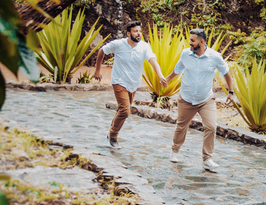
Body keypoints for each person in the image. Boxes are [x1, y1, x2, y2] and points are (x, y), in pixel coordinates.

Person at [165, 28, 234, 171]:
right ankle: (175, 151)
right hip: (186, 98)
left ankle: (207, 158)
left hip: (205, 99)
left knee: (211, 127)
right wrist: (166, 79)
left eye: (192, 40)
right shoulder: (185, 54)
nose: (189, 42)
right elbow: (177, 70)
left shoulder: (215, 57)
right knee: (181, 126)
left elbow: (226, 73)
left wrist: (231, 91)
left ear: (201, 42)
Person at [93, 20, 165, 148]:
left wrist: (160, 76)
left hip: (134, 83)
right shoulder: (118, 44)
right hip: (119, 81)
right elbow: (102, 51)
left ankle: (112, 129)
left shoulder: (144, 46)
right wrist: (97, 70)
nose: (139, 34)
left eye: (140, 31)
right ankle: (113, 136)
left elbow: (153, 61)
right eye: (135, 31)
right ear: (128, 33)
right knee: (126, 111)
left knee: (122, 110)